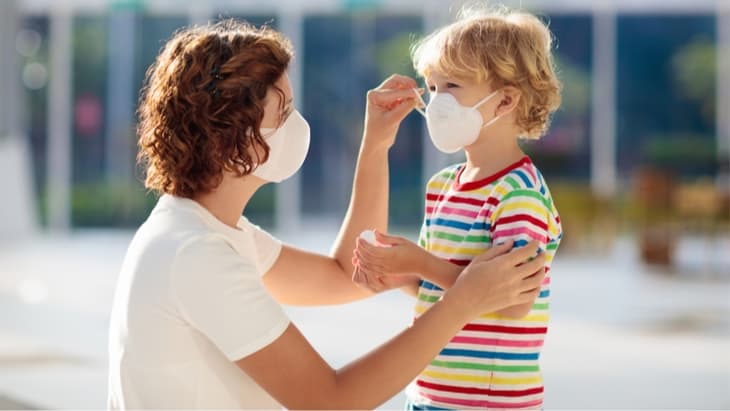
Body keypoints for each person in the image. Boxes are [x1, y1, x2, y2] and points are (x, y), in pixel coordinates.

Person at [106, 20, 546, 410]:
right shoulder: (196, 253)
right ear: (233, 139)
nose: (298, 124)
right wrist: (461, 302)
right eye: (284, 112)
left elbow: (344, 275)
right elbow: (330, 402)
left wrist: (376, 145)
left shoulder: (212, 233)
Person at [352, 5, 564, 410]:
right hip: (427, 392)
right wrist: (397, 275)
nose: (435, 102)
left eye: (451, 86)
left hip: (489, 403)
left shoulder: (519, 194)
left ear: (505, 101)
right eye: (431, 88)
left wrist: (419, 261)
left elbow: (515, 300)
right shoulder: (442, 186)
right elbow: (439, 286)